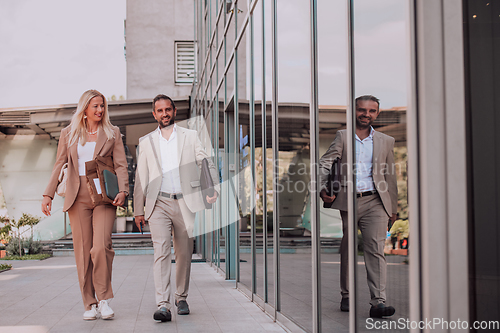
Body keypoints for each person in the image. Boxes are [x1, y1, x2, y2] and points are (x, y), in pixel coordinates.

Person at [41, 90, 129, 321]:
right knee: (82, 251)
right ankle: (89, 303)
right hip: (76, 194)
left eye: (102, 106)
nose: (100, 110)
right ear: (85, 109)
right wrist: (48, 194)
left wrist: (123, 190)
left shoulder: (112, 133)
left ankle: (103, 299)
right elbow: (59, 163)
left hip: (103, 196)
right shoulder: (68, 133)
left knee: (101, 247)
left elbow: (120, 165)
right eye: (95, 106)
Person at [134, 94, 219, 323]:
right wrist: (138, 210)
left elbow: (205, 162)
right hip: (158, 203)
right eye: (160, 111)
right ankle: (163, 304)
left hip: (185, 202)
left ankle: (181, 297)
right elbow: (140, 178)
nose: (164, 114)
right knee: (161, 252)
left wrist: (211, 189)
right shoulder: (146, 141)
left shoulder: (190, 136)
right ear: (154, 114)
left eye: (167, 109)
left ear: (174, 111)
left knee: (183, 253)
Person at [319, 95, 398, 318]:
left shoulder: (386, 140)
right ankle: (346, 295)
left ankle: (378, 302)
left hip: (376, 200)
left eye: (372, 111)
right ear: (354, 111)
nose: (366, 114)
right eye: (362, 110)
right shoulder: (343, 137)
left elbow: (389, 177)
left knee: (375, 249)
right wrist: (322, 188)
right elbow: (325, 163)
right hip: (349, 200)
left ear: (377, 114)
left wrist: (393, 208)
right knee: (349, 248)